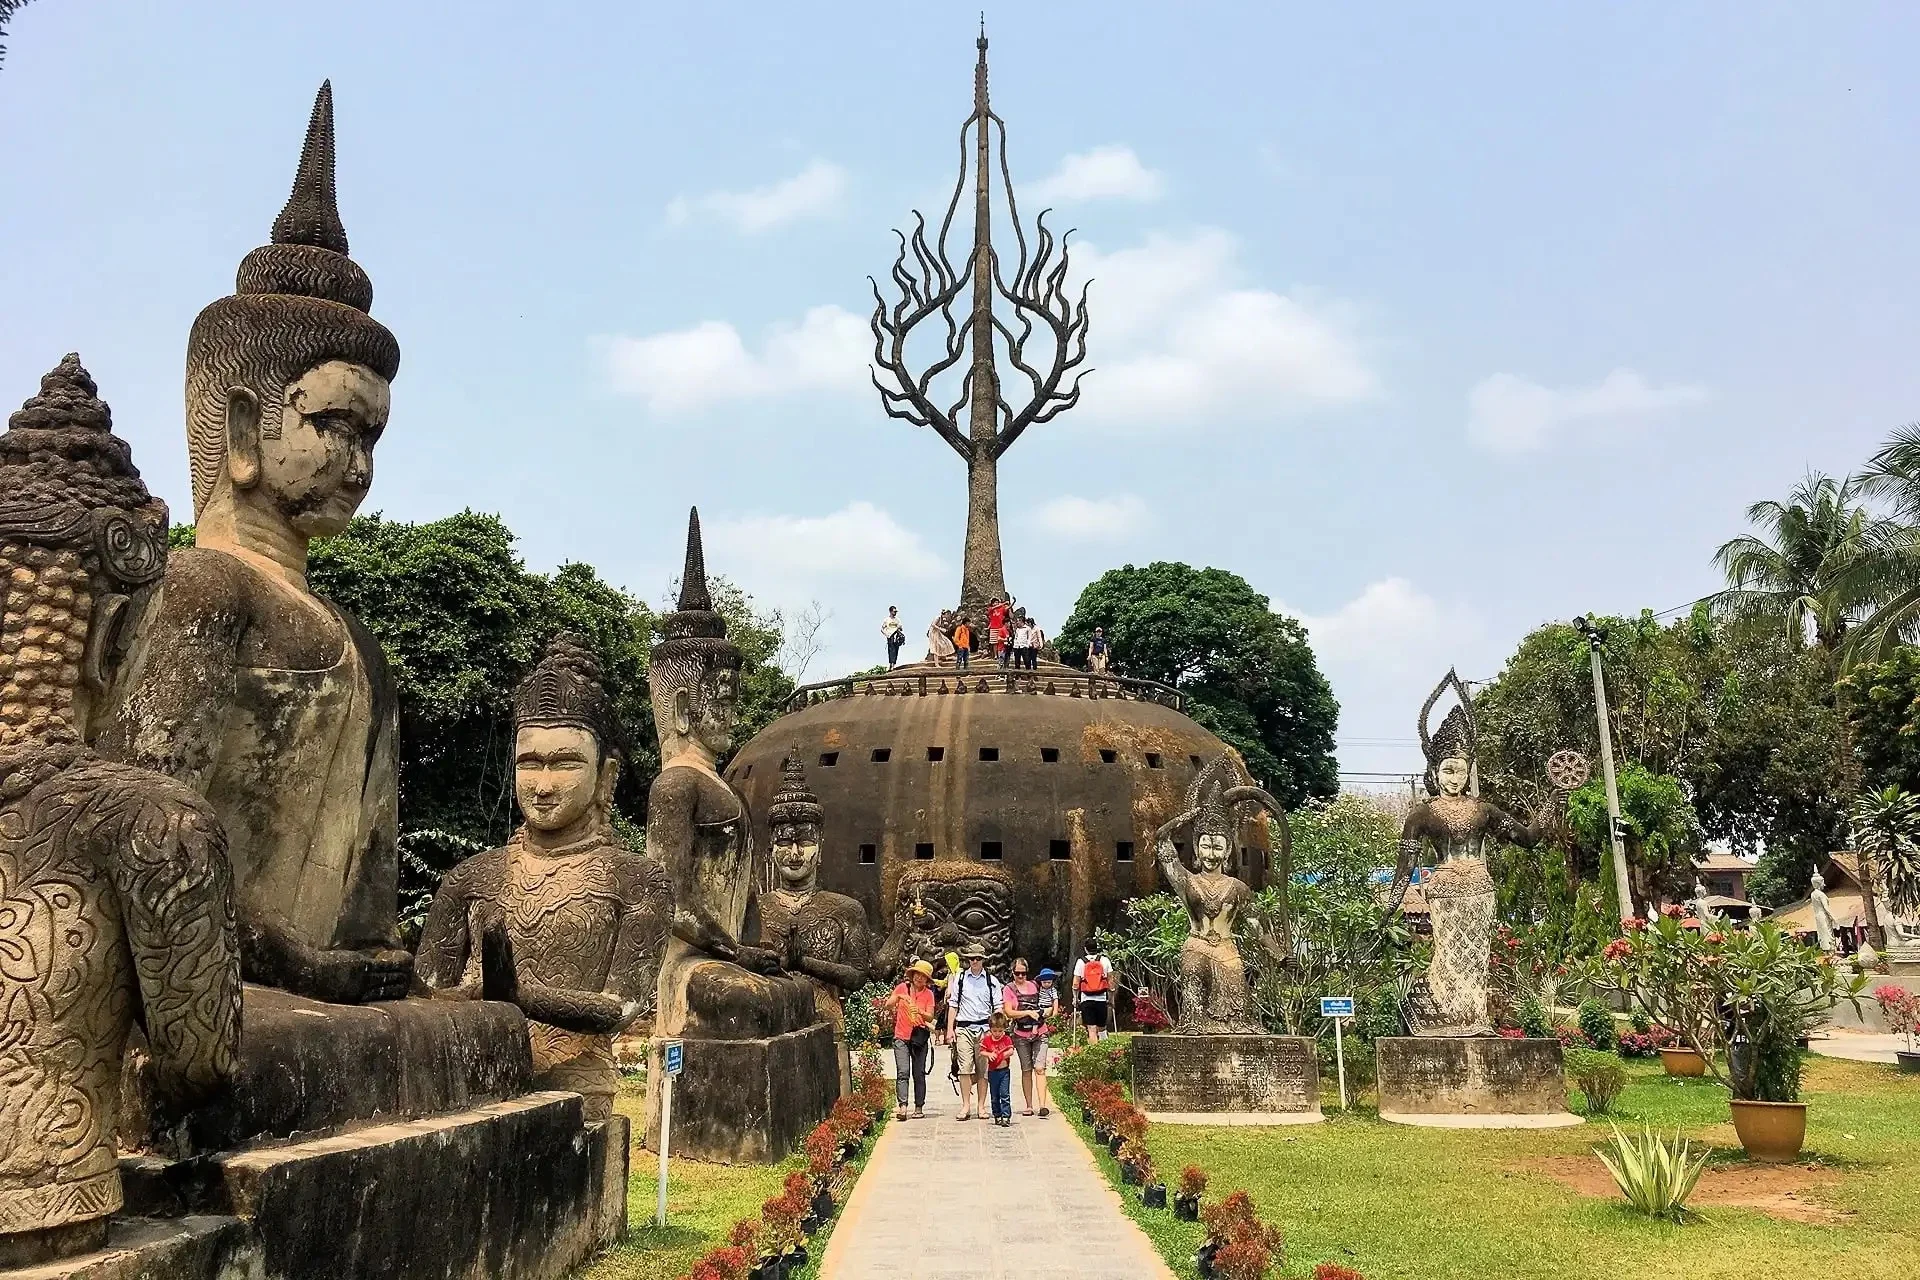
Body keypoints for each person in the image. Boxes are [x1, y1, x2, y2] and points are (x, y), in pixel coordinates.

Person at [945, 944, 1003, 1121]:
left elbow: (998, 1007)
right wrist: (950, 1030)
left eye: (978, 958)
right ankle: (965, 1105)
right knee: (964, 1068)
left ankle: (981, 1106)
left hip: (985, 1029)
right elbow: (953, 1004)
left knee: (983, 1069)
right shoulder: (961, 979)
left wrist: (999, 1032)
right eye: (972, 958)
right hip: (964, 1028)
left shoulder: (991, 981)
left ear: (983, 960)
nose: (975, 961)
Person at [1003, 959, 1057, 1117]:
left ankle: (1042, 1105)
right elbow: (1009, 1012)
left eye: (1023, 973)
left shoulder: (1036, 985)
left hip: (1040, 1031)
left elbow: (1049, 997)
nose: (1021, 976)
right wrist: (1027, 1013)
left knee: (1039, 1068)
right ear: (1012, 973)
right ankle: (1028, 1105)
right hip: (1021, 1034)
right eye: (1017, 973)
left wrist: (1050, 1011)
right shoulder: (1009, 989)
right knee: (1026, 1070)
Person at [886, 960, 937, 1119]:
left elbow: (930, 1016)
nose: (919, 978)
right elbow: (888, 1005)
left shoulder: (929, 994)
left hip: (919, 1038)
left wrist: (920, 1011)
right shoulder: (903, 988)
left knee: (919, 1072)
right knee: (903, 1071)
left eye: (923, 976)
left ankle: (919, 1106)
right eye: (917, 974)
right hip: (901, 1036)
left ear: (927, 979)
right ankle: (902, 1106)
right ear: (912, 975)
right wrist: (898, 997)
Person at [1073, 939, 1114, 1043]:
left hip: (1086, 999)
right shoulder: (1105, 960)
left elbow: (1075, 984)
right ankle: (1106, 1051)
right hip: (1101, 999)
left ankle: (1095, 1054)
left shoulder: (1081, 962)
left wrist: (1075, 998)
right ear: (1097, 948)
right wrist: (1111, 998)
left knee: (1091, 1029)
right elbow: (1111, 982)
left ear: (1085, 949)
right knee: (1102, 1028)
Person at [980, 1012, 1016, 1126]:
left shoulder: (1006, 1039)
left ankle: (1006, 1116)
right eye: (994, 1031)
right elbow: (982, 1051)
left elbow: (1011, 1050)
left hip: (1004, 1071)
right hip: (992, 1071)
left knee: (1004, 1094)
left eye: (1000, 1031)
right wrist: (989, 1055)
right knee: (994, 1095)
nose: (997, 1033)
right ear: (990, 1029)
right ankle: (997, 1115)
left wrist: (1002, 1055)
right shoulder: (987, 1040)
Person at [988, 596, 1011, 669]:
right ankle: (995, 655)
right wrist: (1003, 603)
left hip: (1000, 627)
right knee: (994, 642)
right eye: (995, 602)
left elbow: (1007, 608)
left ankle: (1001, 654)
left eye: (997, 602)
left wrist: (1012, 603)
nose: (996, 604)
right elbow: (994, 608)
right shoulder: (990, 609)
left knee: (1000, 642)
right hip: (993, 627)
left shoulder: (1001, 609)